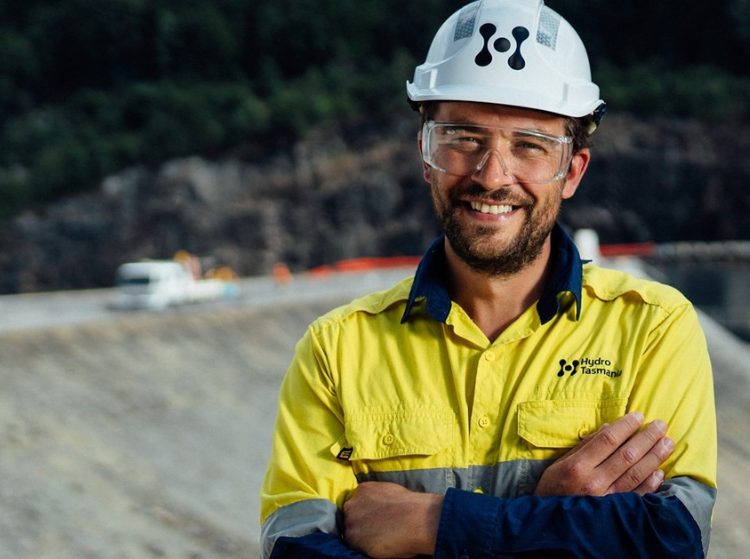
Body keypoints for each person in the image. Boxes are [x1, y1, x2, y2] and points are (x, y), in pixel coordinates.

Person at [257, 1, 717, 557]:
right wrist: (556, 519)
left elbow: (670, 542)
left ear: (571, 171)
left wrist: (434, 523)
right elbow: (296, 551)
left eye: (529, 145)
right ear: (426, 155)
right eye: (463, 138)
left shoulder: (650, 329)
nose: (492, 175)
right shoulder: (337, 351)